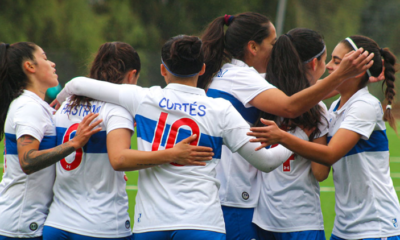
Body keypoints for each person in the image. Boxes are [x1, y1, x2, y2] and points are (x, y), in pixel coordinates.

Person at [54, 35, 311, 240]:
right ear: (202, 69)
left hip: (150, 224)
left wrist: (57, 102)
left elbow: (77, 84)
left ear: (163, 70)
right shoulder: (219, 109)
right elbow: (265, 162)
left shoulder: (143, 97)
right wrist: (296, 137)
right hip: (200, 222)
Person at [200, 12, 374, 239]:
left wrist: (348, 81)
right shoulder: (246, 80)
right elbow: (293, 106)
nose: (277, 49)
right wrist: (342, 76)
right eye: (273, 43)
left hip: (251, 209)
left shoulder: (235, 77)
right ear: (253, 47)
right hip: (243, 200)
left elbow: (297, 92)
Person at [43, 42, 214, 240]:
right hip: (100, 225)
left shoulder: (64, 108)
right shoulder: (116, 110)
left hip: (57, 222)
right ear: (132, 75)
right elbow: (119, 159)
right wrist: (172, 154)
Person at [248, 35, 400, 240]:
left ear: (355, 69)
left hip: (375, 225)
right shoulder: (335, 107)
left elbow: (329, 155)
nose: (328, 66)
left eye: (337, 62)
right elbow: (310, 93)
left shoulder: (365, 105)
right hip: (345, 227)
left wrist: (282, 137)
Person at [0, 42, 101, 240]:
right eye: (45, 58)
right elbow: (28, 161)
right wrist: (74, 143)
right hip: (20, 226)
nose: (52, 64)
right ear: (30, 66)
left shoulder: (36, 105)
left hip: (26, 222)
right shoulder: (29, 107)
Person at [253, 28, 331, 240]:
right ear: (314, 64)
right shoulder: (317, 109)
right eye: (326, 61)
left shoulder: (262, 100)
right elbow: (320, 173)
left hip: (262, 220)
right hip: (301, 221)